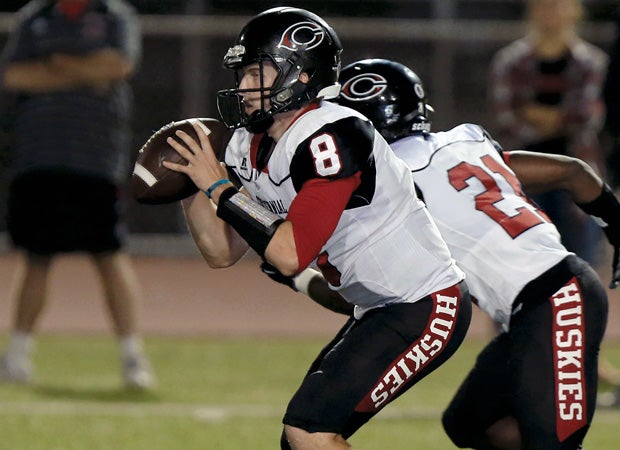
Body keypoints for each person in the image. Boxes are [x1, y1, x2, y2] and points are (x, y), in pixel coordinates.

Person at [162, 7, 472, 449]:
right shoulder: (246, 142)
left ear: (301, 74)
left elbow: (290, 254)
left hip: (425, 304)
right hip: (379, 306)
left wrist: (218, 187)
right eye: (243, 74)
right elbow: (220, 252)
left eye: (257, 72)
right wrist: (192, 186)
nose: (245, 87)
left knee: (310, 431)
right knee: (302, 438)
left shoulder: (333, 135)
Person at [332, 58, 617, 449]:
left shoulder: (392, 185)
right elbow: (572, 171)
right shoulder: (465, 144)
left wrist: (297, 275)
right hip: (545, 303)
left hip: (556, 301)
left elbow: (373, 297)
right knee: (468, 421)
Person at [0, 0, 154, 390]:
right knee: (36, 256)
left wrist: (54, 65)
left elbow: (118, 66)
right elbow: (15, 75)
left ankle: (133, 357)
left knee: (109, 255)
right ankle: (16, 356)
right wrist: (86, 70)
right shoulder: (34, 17)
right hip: (39, 157)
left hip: (96, 159)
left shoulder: (114, 16)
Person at [489, 0, 609, 267]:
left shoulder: (592, 61)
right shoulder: (510, 61)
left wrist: (535, 113)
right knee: (524, 266)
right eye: (544, 5)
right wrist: (560, 117)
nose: (551, 11)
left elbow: (588, 116)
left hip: (579, 170)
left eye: (559, 5)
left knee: (581, 266)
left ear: (575, 10)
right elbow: (506, 118)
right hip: (523, 177)